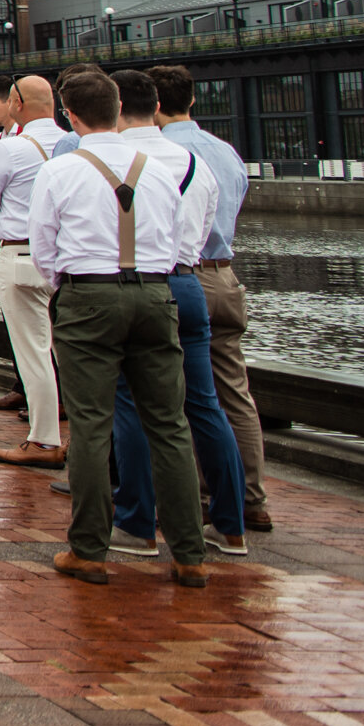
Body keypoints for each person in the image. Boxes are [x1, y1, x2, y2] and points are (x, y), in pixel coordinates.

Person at [33, 70, 208, 587]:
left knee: (91, 423)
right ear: (123, 109)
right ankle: (190, 555)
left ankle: (88, 549)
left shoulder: (61, 171)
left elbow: (44, 247)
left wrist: (65, 289)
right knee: (169, 425)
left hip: (89, 294)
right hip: (157, 293)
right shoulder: (157, 170)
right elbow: (179, 242)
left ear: (71, 115)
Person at [105, 68, 246, 558]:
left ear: (118, 107)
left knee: (133, 406)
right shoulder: (196, 162)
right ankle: (231, 525)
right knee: (205, 404)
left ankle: (137, 525)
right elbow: (206, 229)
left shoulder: (118, 161)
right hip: (190, 281)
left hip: (142, 284)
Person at [154, 64, 266, 532]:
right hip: (225, 277)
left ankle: (199, 497)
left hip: (182, 277)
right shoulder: (226, 152)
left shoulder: (163, 156)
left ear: (151, 106)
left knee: (180, 395)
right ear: (192, 100)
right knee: (234, 392)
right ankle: (251, 499)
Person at [0, 73, 67, 468]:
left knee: (34, 351)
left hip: (21, 253)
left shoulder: (10, 148)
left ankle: (44, 439)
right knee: (69, 348)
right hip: (69, 259)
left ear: (18, 104)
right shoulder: (70, 143)